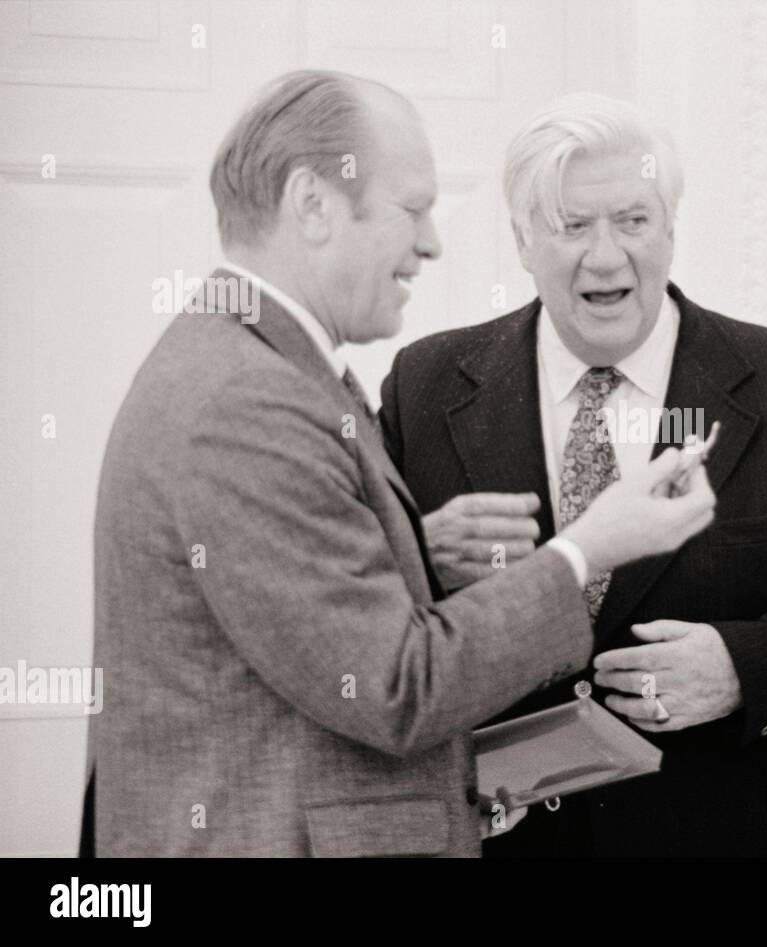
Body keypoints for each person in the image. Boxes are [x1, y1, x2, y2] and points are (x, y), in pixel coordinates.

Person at [81, 71, 714, 857]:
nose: (432, 243)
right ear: (313, 205)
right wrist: (589, 547)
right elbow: (396, 686)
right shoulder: (248, 406)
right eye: (412, 209)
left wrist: (404, 547)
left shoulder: (260, 363)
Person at [380, 93, 767, 856]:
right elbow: (369, 610)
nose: (606, 256)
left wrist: (742, 668)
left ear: (670, 227)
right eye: (573, 226)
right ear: (523, 240)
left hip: (723, 833)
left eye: (633, 220)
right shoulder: (427, 384)